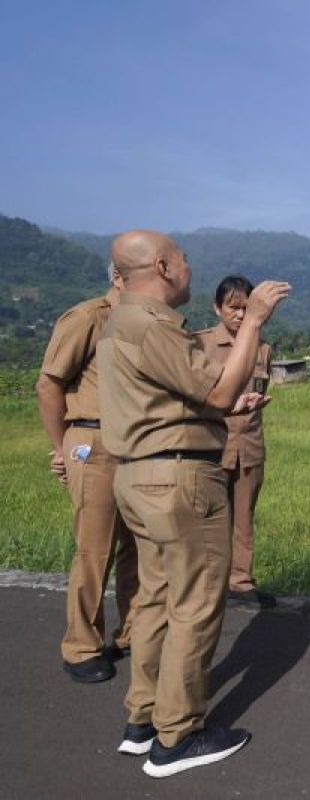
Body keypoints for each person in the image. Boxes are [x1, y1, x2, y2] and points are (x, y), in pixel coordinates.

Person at [98, 229, 289, 777]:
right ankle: (177, 737)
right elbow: (219, 393)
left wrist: (218, 408)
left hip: (139, 475)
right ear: (161, 266)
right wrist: (252, 320)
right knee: (196, 604)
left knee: (156, 598)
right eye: (182, 259)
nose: (188, 267)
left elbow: (177, 400)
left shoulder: (118, 323)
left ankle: (144, 719)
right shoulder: (152, 324)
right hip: (178, 479)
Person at [36, 261, 139, 684]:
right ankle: (81, 645)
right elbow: (49, 384)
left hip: (137, 445)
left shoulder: (143, 324)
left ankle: (132, 631)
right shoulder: (88, 318)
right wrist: (62, 446)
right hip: (94, 441)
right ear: (118, 277)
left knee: (139, 549)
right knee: (95, 549)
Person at [196, 275, 276, 608]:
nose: (240, 315)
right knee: (207, 520)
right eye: (233, 307)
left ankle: (241, 583)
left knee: (244, 518)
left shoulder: (263, 348)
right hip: (212, 445)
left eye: (247, 307)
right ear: (217, 308)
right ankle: (207, 585)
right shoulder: (198, 345)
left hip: (249, 445)